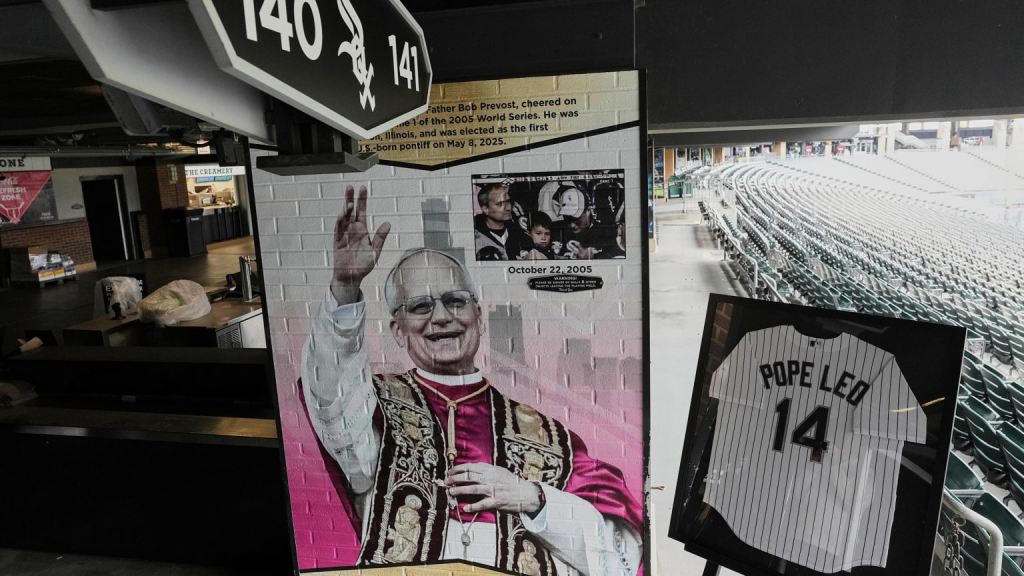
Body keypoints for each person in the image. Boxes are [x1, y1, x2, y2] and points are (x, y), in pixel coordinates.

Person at [302, 185, 642, 575]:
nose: (442, 316)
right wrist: (345, 289)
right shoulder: (373, 407)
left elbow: (620, 556)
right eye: (421, 306)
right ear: (398, 331)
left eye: (455, 301)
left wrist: (533, 498)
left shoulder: (547, 435)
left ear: (479, 317)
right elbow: (333, 402)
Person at [558, 186, 621, 260]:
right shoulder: (558, 231)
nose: (572, 225)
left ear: (588, 211)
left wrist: (594, 257)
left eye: (576, 218)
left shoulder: (608, 232)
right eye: (567, 217)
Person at [474, 182, 527, 260]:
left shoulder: (519, 233)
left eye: (508, 201)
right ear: (485, 209)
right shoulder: (475, 236)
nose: (508, 208)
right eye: (499, 204)